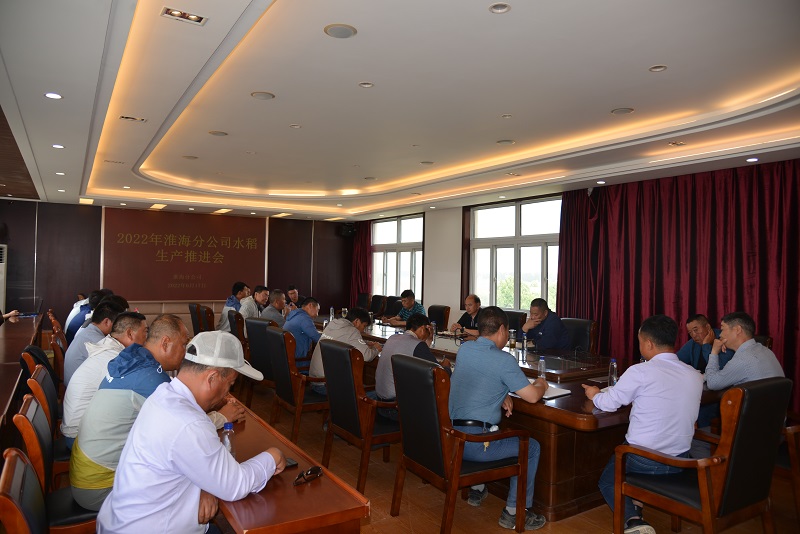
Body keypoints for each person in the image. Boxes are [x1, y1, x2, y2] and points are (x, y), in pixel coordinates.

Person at [96, 331, 284, 534]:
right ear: (212, 378)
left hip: (123, 521)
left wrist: (204, 486)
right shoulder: (189, 422)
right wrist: (273, 456)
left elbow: (181, 457)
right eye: (230, 384)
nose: (228, 393)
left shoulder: (163, 394)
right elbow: (235, 485)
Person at [70, 315, 244, 511]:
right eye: (184, 344)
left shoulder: (135, 359)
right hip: (99, 484)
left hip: (85, 468)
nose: (186, 353)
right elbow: (185, 429)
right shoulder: (152, 379)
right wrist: (222, 417)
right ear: (165, 343)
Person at [583, 315, 703, 534]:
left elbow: (609, 404)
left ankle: (633, 521)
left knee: (608, 481)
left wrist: (595, 394)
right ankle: (637, 503)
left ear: (648, 344)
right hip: (682, 459)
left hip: (644, 461)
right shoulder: (694, 375)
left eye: (639, 342)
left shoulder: (640, 371)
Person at [449, 306, 548, 530]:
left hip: (453, 437)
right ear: (502, 330)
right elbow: (532, 397)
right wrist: (541, 383)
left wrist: (502, 393)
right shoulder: (504, 360)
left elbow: (475, 380)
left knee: (491, 427)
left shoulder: (465, 350)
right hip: (476, 444)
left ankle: (477, 488)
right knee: (531, 447)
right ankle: (515, 512)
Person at [61, 312, 148, 449]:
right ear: (130, 334)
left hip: (79, 429)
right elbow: (139, 390)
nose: (147, 339)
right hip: (78, 437)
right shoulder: (113, 358)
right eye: (145, 332)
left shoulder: (108, 347)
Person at [373, 313, 448, 420]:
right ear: (423, 328)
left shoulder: (392, 338)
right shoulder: (418, 345)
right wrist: (446, 367)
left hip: (380, 402)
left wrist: (428, 340)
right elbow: (439, 374)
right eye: (428, 330)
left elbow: (422, 358)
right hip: (395, 408)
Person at [308, 307, 381, 395]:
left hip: (314, 381)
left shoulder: (332, 324)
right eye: (364, 326)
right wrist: (376, 349)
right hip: (327, 386)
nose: (363, 330)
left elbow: (343, 339)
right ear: (357, 321)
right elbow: (367, 356)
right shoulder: (352, 331)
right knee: (371, 394)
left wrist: (364, 343)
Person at [705, 311, 784, 390]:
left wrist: (714, 352)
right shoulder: (766, 350)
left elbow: (712, 383)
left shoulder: (742, 359)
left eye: (722, 329)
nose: (720, 334)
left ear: (738, 330)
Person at [64, 299, 126, 386]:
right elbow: (120, 365)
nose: (119, 328)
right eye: (118, 324)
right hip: (78, 388)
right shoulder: (96, 340)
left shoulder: (89, 331)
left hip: (73, 385)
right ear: (107, 322)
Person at [283, 297, 321, 371]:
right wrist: (331, 339)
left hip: (287, 359)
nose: (317, 314)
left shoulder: (293, 315)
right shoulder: (304, 318)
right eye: (317, 310)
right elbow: (318, 338)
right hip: (299, 362)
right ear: (310, 305)